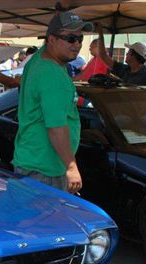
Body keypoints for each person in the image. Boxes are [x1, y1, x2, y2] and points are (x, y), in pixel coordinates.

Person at [12, 11, 94, 194]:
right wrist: (71, 167)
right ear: (51, 39)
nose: (77, 44)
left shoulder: (41, 59)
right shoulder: (52, 74)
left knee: (24, 220)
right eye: (71, 38)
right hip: (46, 169)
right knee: (41, 222)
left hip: (33, 161)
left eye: (80, 38)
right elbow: (56, 127)